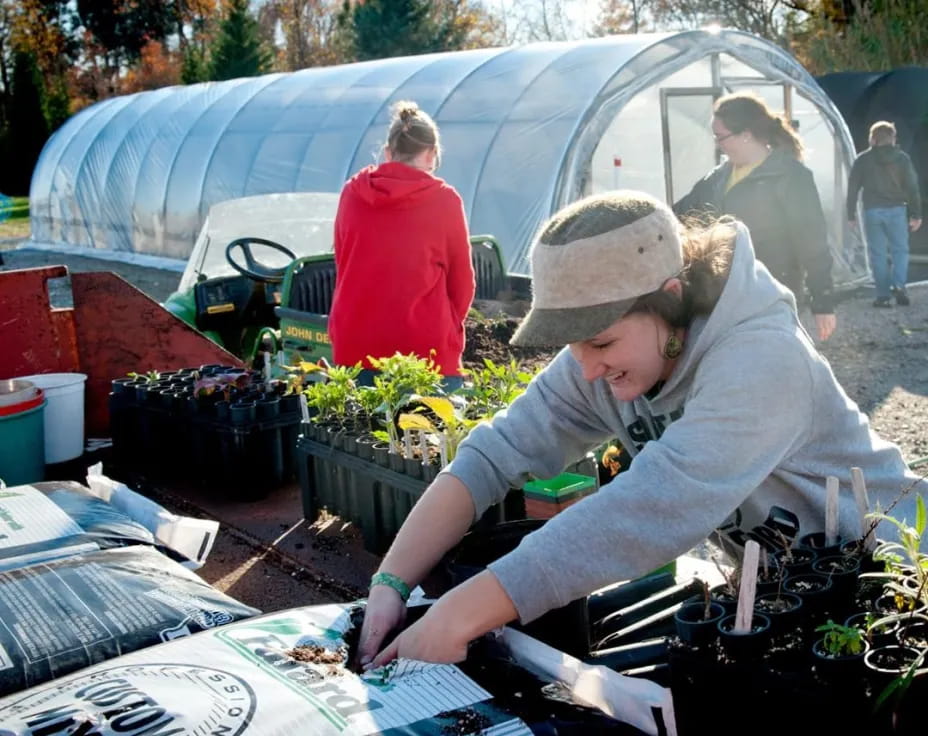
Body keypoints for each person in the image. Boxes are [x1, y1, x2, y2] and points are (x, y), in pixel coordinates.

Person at [357, 190, 926, 668]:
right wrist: (392, 584)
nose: (586, 369)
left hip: (895, 584)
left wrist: (459, 614)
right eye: (573, 346)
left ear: (669, 298)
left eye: (601, 342)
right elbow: (494, 453)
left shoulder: (762, 359)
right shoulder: (601, 362)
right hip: (792, 591)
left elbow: (651, 507)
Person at [329, 100, 475, 391]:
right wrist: (442, 326)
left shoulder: (352, 193)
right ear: (432, 154)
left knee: (355, 435)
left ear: (388, 152)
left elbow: (343, 262)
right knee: (429, 434)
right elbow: (462, 284)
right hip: (425, 353)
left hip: (356, 347)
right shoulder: (444, 200)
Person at [673, 91, 836, 342]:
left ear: (746, 135)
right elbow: (679, 214)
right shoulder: (717, 177)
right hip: (721, 294)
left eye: (721, 136)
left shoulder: (790, 176)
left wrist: (823, 302)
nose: (717, 143)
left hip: (770, 294)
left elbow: (812, 240)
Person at [846, 120, 922, 308]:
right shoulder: (902, 159)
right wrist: (916, 214)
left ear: (872, 139)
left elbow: (853, 188)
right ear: (893, 138)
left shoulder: (862, 160)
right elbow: (912, 188)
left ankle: (883, 296)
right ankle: (899, 286)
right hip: (897, 210)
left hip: (873, 211)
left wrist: (850, 214)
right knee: (900, 251)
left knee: (878, 254)